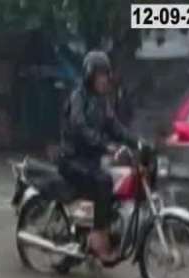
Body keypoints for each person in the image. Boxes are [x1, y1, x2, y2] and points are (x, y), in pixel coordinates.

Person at [59, 50, 137, 264]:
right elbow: (79, 127)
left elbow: (115, 127)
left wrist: (137, 142)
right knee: (104, 181)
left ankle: (104, 229)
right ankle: (96, 237)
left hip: (89, 161)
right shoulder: (78, 97)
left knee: (116, 183)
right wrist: (106, 146)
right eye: (99, 75)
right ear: (89, 76)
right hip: (71, 159)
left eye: (106, 75)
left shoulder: (102, 102)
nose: (104, 79)